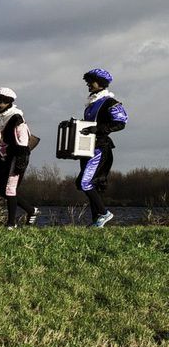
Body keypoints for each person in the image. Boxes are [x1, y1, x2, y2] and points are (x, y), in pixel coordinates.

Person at [75, 67, 128, 228]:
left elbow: (121, 122)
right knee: (86, 184)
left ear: (102, 84)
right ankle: (96, 221)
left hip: (100, 149)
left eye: (92, 82)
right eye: (88, 82)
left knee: (86, 183)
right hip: (88, 148)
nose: (89, 85)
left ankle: (104, 214)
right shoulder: (92, 103)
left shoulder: (110, 102)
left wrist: (98, 129)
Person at [0, 87, 39, 227]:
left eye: (1, 102)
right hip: (5, 155)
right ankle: (31, 210)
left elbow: (22, 141)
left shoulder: (17, 118)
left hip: (18, 156)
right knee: (1, 189)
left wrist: (20, 162)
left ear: (8, 102)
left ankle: (11, 224)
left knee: (10, 190)